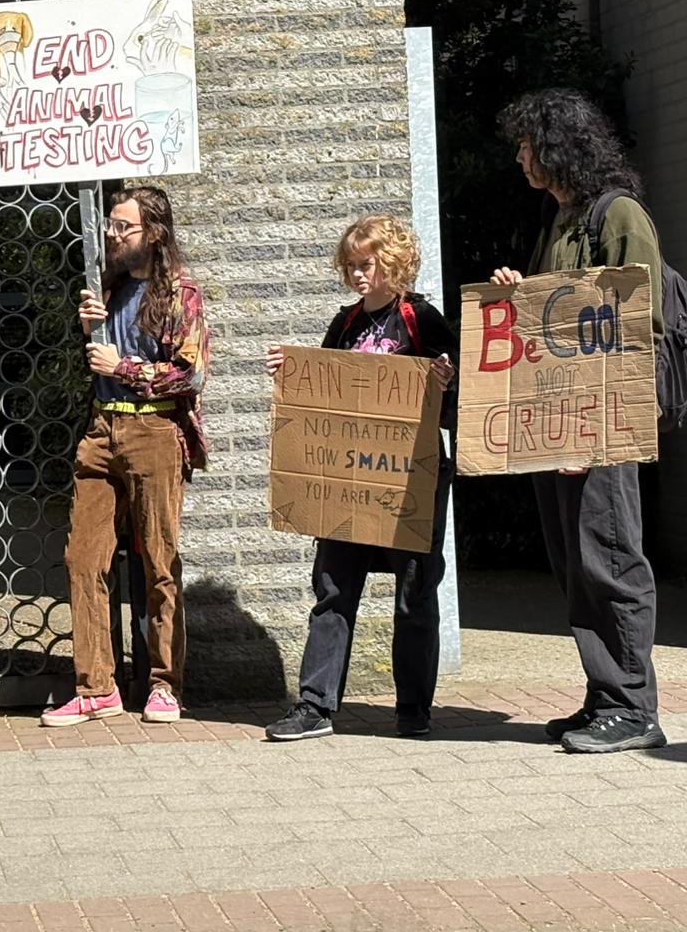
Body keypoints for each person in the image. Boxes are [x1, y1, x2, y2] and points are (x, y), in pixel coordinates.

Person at [490, 88, 667, 754]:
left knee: (612, 558)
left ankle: (634, 708)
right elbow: (546, 322)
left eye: (527, 145)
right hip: (557, 419)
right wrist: (517, 293)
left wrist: (591, 430)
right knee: (575, 563)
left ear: (559, 146)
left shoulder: (616, 215)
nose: (519, 157)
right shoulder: (555, 219)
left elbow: (634, 321)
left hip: (602, 421)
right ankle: (605, 696)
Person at [263, 215, 457, 742]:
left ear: (392, 263)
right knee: (333, 586)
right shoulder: (345, 323)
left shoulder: (423, 320)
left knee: (415, 592)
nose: (356, 275)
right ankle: (314, 705)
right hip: (347, 480)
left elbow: (457, 399)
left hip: (409, 481)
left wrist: (445, 380)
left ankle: (413, 708)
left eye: (365, 264)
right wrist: (292, 368)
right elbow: (322, 390)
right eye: (349, 265)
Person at [41, 186, 209, 727]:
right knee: (83, 558)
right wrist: (91, 330)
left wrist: (125, 369)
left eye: (123, 227)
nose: (113, 235)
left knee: (159, 562)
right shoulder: (109, 288)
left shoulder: (181, 292)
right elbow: (100, 360)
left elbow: (193, 372)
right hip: (102, 430)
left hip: (155, 430)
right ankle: (96, 687)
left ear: (154, 233)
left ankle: (164, 685)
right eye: (111, 226)